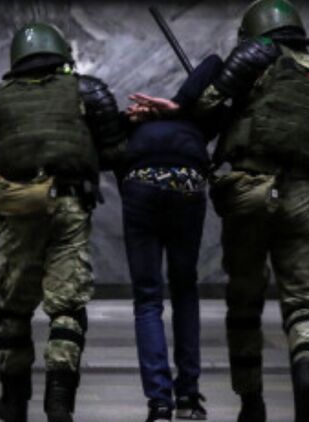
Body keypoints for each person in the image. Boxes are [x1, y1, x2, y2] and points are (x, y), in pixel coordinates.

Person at [128, 1, 309, 421]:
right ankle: (305, 366)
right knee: (302, 300)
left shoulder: (253, 55)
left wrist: (184, 107)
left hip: (251, 188)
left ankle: (251, 402)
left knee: (245, 302)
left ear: (253, 32)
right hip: (301, 192)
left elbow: (206, 106)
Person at [0, 22, 124, 422]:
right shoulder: (88, 91)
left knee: (13, 308)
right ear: (61, 54)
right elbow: (114, 151)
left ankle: (13, 399)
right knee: (67, 306)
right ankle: (59, 402)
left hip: (18, 209)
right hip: (69, 205)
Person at [122, 56, 224, 422]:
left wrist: (136, 119)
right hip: (187, 183)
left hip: (141, 183)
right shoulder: (200, 121)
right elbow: (214, 63)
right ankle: (189, 397)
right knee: (184, 290)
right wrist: (180, 104)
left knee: (147, 298)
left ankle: (159, 403)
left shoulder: (133, 127)